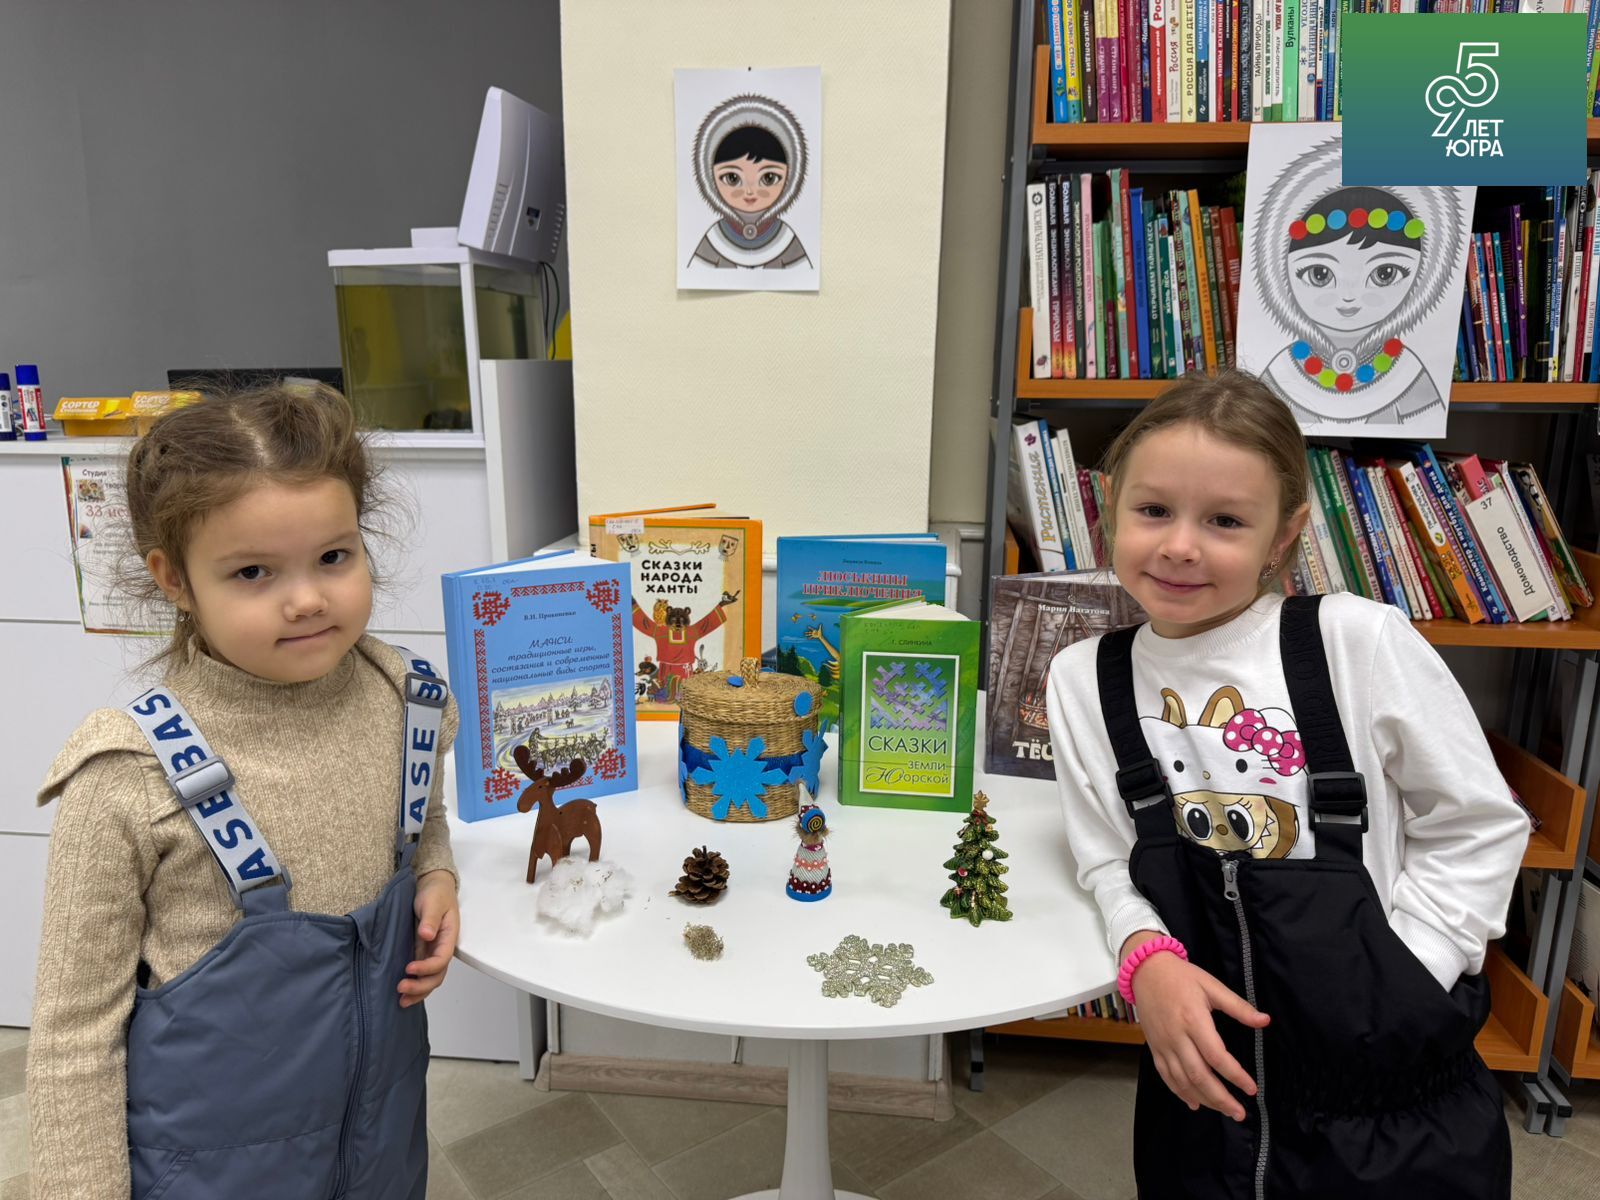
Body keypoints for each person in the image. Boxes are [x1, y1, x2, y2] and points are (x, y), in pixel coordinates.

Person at [1045, 369, 1526, 1198]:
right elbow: (1105, 859)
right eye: (1153, 510)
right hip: (1205, 1106)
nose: (1181, 546)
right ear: (1109, 509)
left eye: (1225, 520)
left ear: (1284, 535)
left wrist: (1407, 973)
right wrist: (1145, 958)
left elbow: (1478, 824)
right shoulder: (1082, 678)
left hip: (1393, 1110)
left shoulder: (1357, 642)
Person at [27, 383, 461, 1199]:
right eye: (253, 572)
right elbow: (73, 1038)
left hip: (382, 1149)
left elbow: (423, 815)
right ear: (175, 580)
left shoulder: (409, 700)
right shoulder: (128, 778)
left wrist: (435, 872)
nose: (308, 599)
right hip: (208, 1172)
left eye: (334, 557)